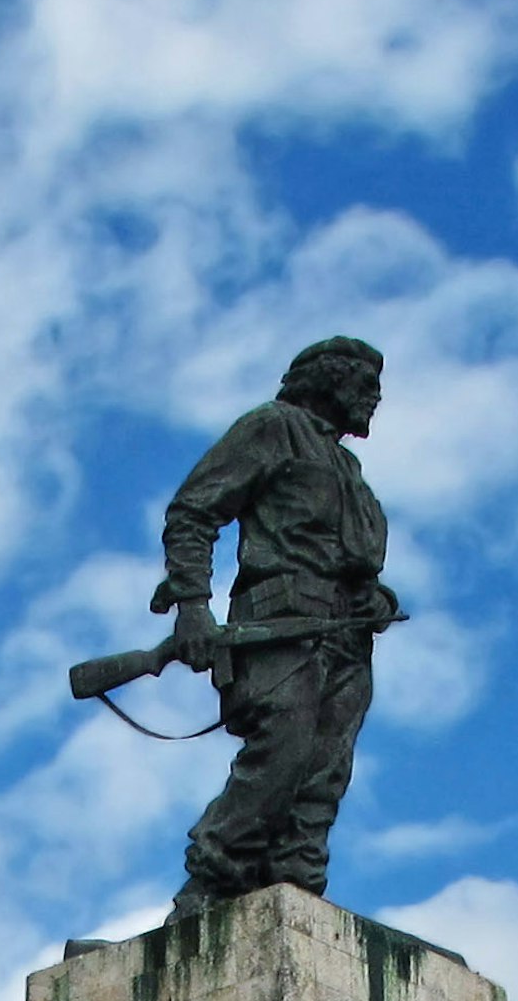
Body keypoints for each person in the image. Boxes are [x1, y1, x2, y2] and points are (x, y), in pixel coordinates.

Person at [154, 337, 399, 904]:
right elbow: (194, 510)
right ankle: (209, 885)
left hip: (345, 639)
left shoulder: (347, 468)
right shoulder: (272, 428)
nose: (375, 398)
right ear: (329, 380)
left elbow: (346, 559)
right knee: (280, 756)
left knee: (324, 774)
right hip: (278, 626)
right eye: (365, 384)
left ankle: (296, 887)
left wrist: (372, 597)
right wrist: (193, 605)